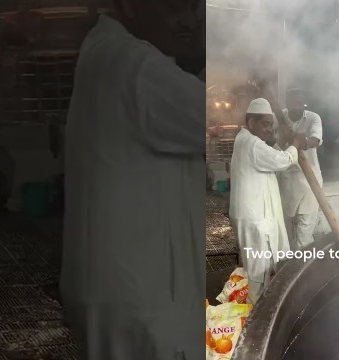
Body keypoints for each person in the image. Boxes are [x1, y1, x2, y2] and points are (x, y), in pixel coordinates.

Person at [60, 1, 206, 359]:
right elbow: (211, 122)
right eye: (175, 7)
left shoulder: (108, 49)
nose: (189, 20)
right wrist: (235, 65)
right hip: (141, 295)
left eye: (196, 8)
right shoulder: (133, 63)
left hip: (125, 285)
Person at [229, 98, 305, 304]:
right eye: (264, 124)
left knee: (258, 264)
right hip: (255, 219)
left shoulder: (244, 139)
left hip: (252, 214)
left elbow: (270, 154)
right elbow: (281, 160)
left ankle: (261, 303)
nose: (268, 129)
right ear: (251, 123)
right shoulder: (252, 144)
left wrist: (278, 143)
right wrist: (296, 145)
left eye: (270, 124)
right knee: (258, 267)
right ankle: (255, 314)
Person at [275, 87, 324, 250]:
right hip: (288, 180)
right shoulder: (280, 117)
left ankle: (303, 269)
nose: (298, 105)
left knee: (304, 236)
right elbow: (273, 139)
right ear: (287, 102)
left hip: (310, 182)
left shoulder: (313, 118)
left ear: (304, 104)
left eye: (301, 102)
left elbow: (316, 140)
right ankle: (287, 266)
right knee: (286, 232)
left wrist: (303, 143)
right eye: (294, 101)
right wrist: (284, 140)